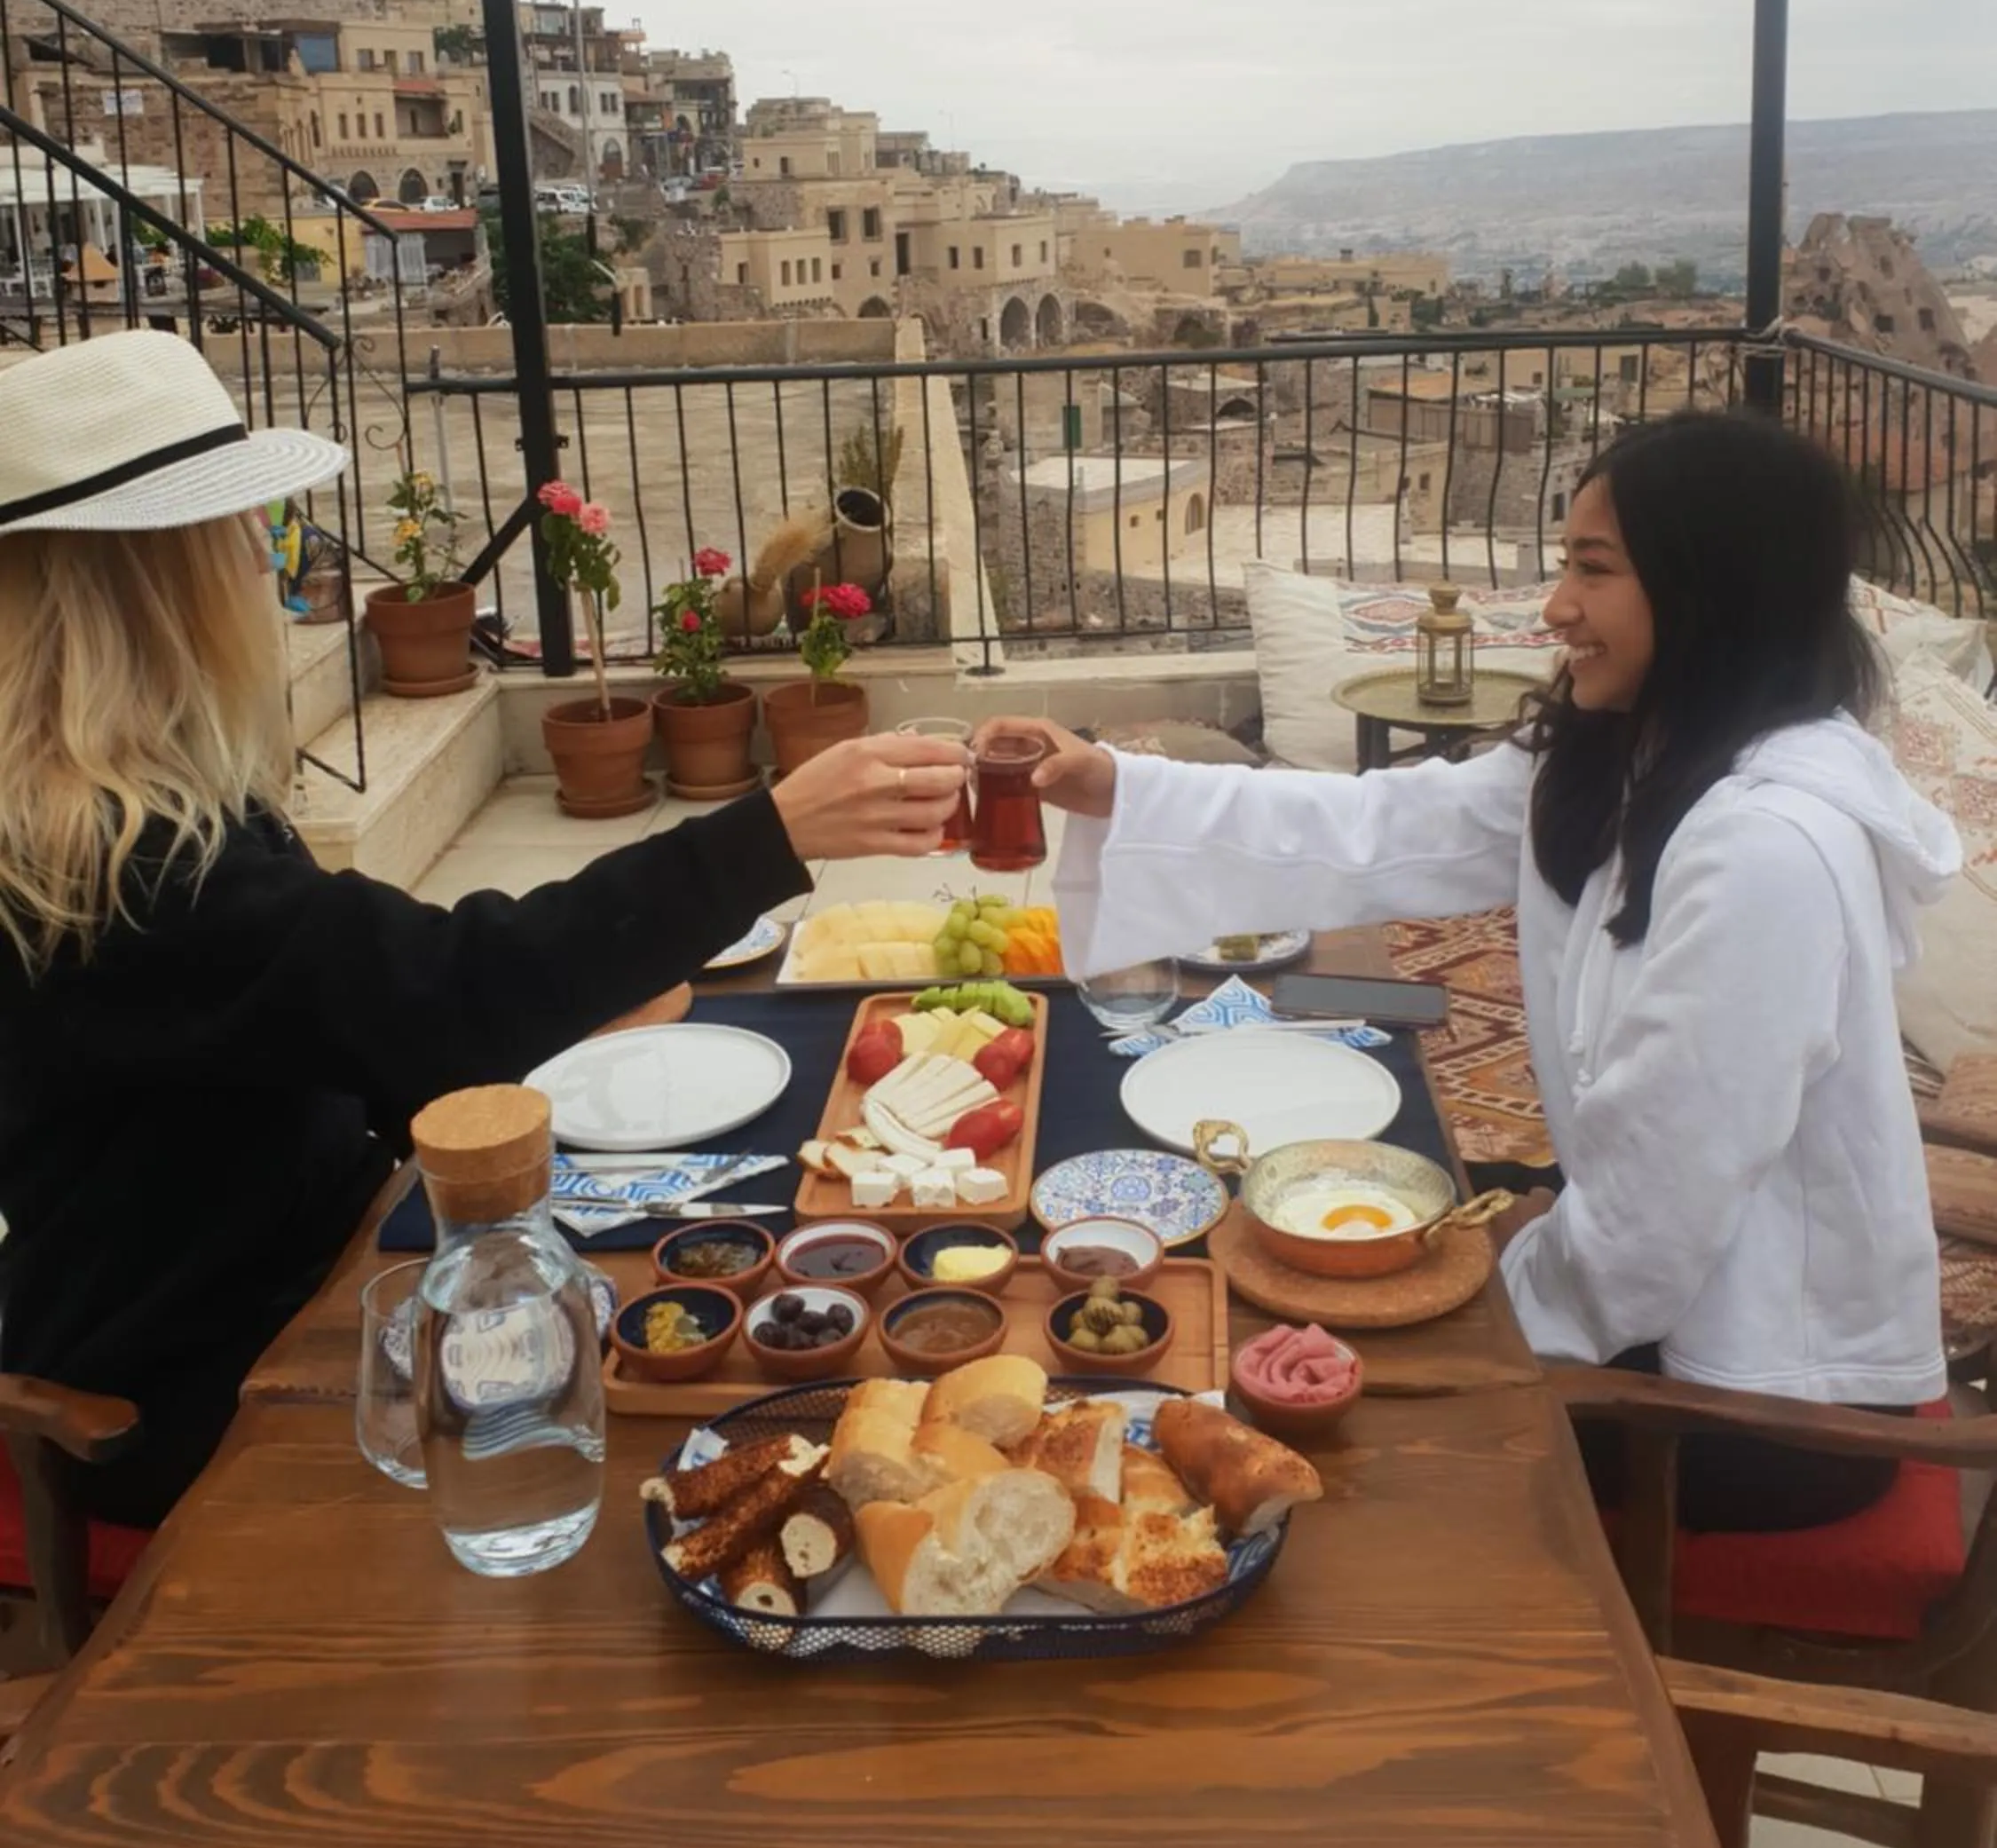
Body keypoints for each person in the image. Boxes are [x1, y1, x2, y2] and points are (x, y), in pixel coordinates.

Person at [0, 330, 969, 1527]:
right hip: (198, 1395)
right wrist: (770, 833)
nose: (265, 554)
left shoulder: (139, 808)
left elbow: (362, 1001)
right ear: (156, 582)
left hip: (327, 1277)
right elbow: (439, 997)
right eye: (242, 529)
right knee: (697, 1460)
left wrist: (561, 994)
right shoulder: (110, 865)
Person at [1013, 409, 1961, 1532]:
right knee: (1297, 1256)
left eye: (1593, 571)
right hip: (1657, 1288)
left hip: (1757, 1398)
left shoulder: (1769, 849)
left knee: (1327, 1426)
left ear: (1713, 589)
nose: (1555, 607)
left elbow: (1657, 1212)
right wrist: (1118, 786)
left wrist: (1485, 1310)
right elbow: (1384, 824)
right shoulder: (1642, 747)